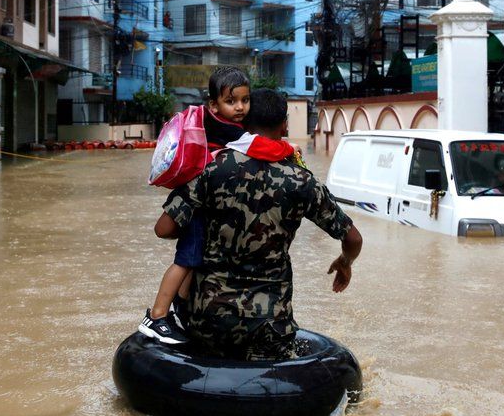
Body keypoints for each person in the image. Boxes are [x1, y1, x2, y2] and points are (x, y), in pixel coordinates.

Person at [153, 88, 362, 360]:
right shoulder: (302, 180)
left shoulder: (213, 168)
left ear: (243, 124)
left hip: (207, 322)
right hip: (271, 327)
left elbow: (164, 228)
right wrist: (345, 262)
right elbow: (353, 238)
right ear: (285, 125)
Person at [138, 66, 251, 344]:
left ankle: (179, 308)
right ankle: (157, 315)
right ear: (214, 104)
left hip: (199, 206)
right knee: (185, 260)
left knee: (195, 259)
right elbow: (250, 148)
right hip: (197, 208)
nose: (240, 107)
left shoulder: (212, 120)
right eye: (231, 101)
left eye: (245, 100)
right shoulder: (226, 129)